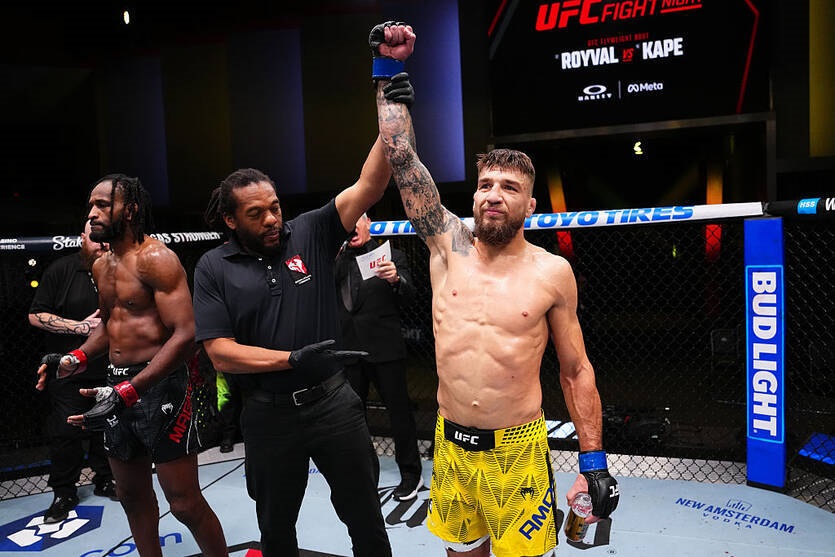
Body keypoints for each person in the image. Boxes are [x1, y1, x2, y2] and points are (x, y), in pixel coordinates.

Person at [371, 23, 620, 557]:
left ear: (530, 205)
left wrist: (593, 462)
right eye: (485, 185)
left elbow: (576, 369)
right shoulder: (446, 245)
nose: (493, 195)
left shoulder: (551, 272)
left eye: (509, 187)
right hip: (451, 441)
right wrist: (388, 71)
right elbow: (401, 157)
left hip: (518, 450)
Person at [192, 50, 414, 554]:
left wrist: (389, 104)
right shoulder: (212, 267)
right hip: (267, 416)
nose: (272, 219)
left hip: (334, 404)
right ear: (231, 220)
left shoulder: (309, 231)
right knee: (276, 531)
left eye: (274, 207)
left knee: (366, 521)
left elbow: (370, 184)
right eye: (256, 214)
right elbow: (220, 353)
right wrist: (290, 359)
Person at [46, 174, 228, 557]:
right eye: (90, 206)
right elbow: (110, 326)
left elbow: (185, 334)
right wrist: (75, 358)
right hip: (116, 385)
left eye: (102, 205)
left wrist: (132, 389)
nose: (91, 214)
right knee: (131, 496)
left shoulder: (156, 260)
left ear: (128, 210)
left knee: (184, 503)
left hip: (161, 385)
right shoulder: (102, 264)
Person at [30, 220, 117, 524]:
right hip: (70, 369)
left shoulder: (120, 271)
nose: (101, 244)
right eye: (94, 238)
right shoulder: (63, 270)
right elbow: (35, 315)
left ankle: (106, 479)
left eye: (106, 238)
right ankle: (64, 492)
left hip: (111, 366)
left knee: (109, 428)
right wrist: (80, 327)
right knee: (66, 432)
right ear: (82, 238)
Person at [335, 213, 423, 501]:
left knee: (399, 414)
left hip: (384, 349)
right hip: (349, 350)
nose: (352, 227)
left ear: (368, 224)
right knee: (352, 418)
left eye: (357, 221)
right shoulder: (336, 259)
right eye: (347, 222)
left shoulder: (392, 256)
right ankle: (362, 474)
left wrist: (396, 279)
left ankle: (411, 473)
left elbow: (410, 296)